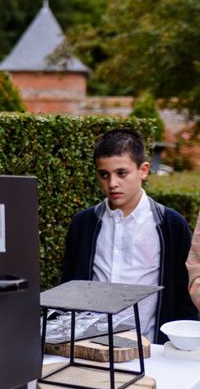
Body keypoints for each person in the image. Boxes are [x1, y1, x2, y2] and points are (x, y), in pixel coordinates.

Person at [61, 128, 198, 344]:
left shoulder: (171, 224)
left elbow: (183, 294)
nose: (112, 183)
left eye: (121, 173)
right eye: (104, 174)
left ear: (143, 170)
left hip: (151, 348)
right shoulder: (83, 224)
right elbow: (69, 287)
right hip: (90, 346)